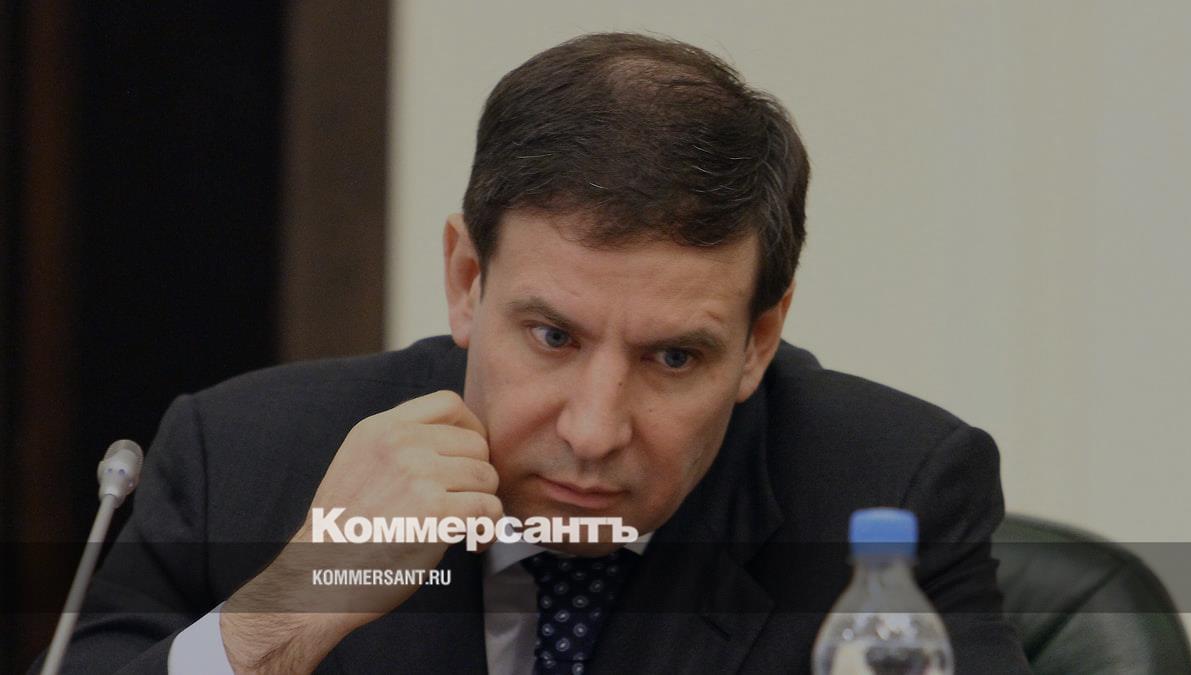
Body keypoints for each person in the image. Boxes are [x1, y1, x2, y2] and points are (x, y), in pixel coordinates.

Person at [38, 33, 1030, 673]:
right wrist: (289, 611)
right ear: (468, 280)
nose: (594, 432)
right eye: (553, 337)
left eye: (674, 359)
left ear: (758, 340)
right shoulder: (241, 457)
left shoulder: (889, 492)